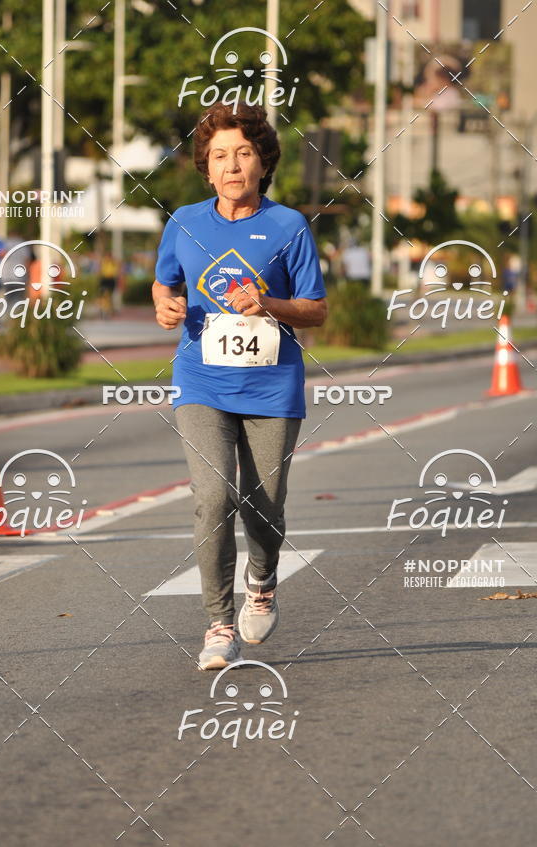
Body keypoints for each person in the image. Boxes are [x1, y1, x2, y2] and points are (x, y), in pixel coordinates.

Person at [153, 102, 327, 671]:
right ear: (206, 169)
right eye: (220, 156)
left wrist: (270, 303)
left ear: (263, 163)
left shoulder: (288, 226)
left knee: (264, 505)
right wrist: (166, 305)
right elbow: (163, 284)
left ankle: (263, 578)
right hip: (201, 380)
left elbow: (316, 308)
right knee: (212, 497)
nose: (232, 165)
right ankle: (219, 624)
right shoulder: (184, 222)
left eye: (244, 153)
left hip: (272, 385)